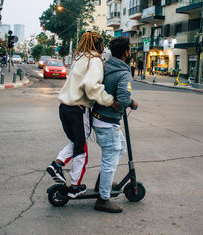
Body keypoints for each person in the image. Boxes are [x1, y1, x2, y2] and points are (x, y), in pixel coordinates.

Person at [46, 31, 119, 199]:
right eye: (102, 44)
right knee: (81, 150)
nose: (103, 48)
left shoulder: (80, 58)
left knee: (76, 142)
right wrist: (109, 101)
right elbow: (91, 85)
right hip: (78, 109)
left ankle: (57, 165)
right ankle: (74, 186)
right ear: (98, 45)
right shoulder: (94, 59)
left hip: (64, 107)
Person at [92, 36, 138, 213]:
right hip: (107, 121)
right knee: (110, 160)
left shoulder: (106, 66)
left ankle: (103, 179)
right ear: (126, 52)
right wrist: (132, 102)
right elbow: (124, 98)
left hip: (100, 117)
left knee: (121, 147)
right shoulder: (124, 72)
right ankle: (103, 199)